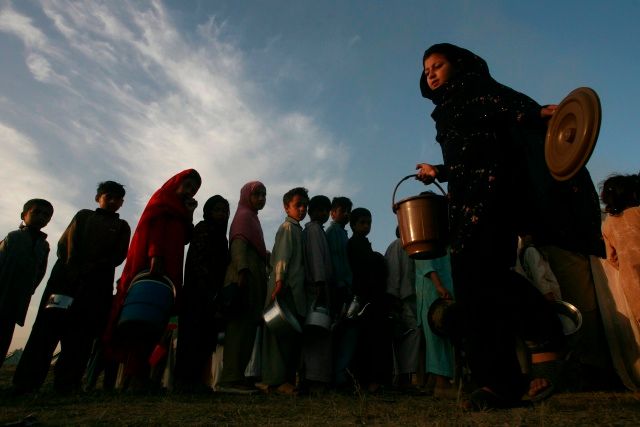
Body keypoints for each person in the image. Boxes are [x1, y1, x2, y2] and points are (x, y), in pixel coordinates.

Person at [417, 43, 565, 408]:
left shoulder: (479, 89)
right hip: (464, 201)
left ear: (459, 64)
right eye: (426, 70)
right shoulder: (445, 111)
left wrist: (539, 113)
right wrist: (441, 171)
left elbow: (510, 107)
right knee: (472, 293)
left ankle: (546, 331)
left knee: (490, 275)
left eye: (438, 65)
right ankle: (498, 383)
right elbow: (467, 157)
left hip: (496, 193)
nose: (431, 73)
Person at [13, 182, 130, 393]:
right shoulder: (83, 216)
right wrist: (76, 269)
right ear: (98, 198)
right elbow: (67, 245)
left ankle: (68, 383)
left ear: (122, 202)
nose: (112, 202)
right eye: (108, 197)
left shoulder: (122, 227)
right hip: (64, 282)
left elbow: (118, 256)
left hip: (96, 287)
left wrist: (93, 268)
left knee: (82, 336)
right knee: (46, 331)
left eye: (117, 199)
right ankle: (26, 383)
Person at [105, 169, 200, 390]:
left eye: (194, 189)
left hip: (172, 267)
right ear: (176, 183)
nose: (190, 191)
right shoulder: (163, 199)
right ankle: (133, 375)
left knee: (159, 320)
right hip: (155, 266)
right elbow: (154, 227)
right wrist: (155, 256)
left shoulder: (180, 208)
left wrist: (189, 213)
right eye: (187, 185)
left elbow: (186, 237)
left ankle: (142, 374)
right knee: (142, 318)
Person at [174, 195, 230, 392]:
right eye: (217, 209)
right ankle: (184, 381)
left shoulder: (222, 236)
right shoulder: (203, 229)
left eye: (224, 210)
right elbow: (198, 262)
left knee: (206, 338)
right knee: (192, 336)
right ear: (208, 212)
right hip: (197, 293)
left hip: (212, 295)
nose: (221, 214)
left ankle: (198, 381)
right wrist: (206, 288)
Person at [217, 182, 268, 394]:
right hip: (243, 279)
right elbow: (238, 245)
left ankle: (237, 376)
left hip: (253, 279)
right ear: (247, 196)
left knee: (247, 331)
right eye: (257, 194)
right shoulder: (244, 217)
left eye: (264, 194)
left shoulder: (253, 218)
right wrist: (243, 272)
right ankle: (229, 379)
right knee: (238, 330)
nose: (261, 198)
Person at [260, 187, 308, 395]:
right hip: (284, 288)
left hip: (293, 289)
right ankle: (276, 381)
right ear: (286, 207)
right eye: (298, 205)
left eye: (305, 205)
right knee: (278, 336)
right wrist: (279, 282)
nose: (303, 209)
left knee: (289, 337)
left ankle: (285, 380)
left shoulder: (298, 229)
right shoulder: (288, 228)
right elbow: (281, 258)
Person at [0, 199, 53, 368]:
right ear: (24, 215)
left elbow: (40, 273)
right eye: (36, 212)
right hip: (2, 292)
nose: (41, 217)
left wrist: (29, 290)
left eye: (46, 215)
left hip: (18, 299)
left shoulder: (44, 246)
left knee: (4, 335)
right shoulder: (13, 237)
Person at [348, 207, 392, 393]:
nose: (366, 226)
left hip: (373, 299)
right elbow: (365, 270)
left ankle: (373, 381)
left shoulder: (363, 243)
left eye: (369, 223)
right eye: (362, 223)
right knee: (368, 342)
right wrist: (377, 259)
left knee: (374, 341)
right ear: (353, 224)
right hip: (365, 299)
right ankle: (367, 382)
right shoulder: (354, 244)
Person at [301, 195, 333, 393]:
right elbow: (316, 260)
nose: (324, 214)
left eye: (326, 210)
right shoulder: (313, 230)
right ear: (312, 211)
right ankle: (314, 381)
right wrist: (320, 284)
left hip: (318, 289)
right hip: (316, 289)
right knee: (317, 336)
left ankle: (313, 379)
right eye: (320, 210)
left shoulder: (317, 231)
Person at [415, 253, 456, 398]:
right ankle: (442, 383)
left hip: (440, 288)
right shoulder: (427, 234)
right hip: (434, 290)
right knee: (437, 336)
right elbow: (425, 260)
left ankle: (434, 381)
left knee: (439, 336)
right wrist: (438, 285)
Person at [601, 174, 640, 325]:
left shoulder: (607, 225)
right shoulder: (638, 212)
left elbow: (611, 258)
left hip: (633, 285)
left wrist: (626, 266)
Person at [324, 196, 354, 387]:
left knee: (343, 333)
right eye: (342, 210)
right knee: (338, 332)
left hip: (345, 287)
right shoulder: (333, 231)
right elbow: (335, 263)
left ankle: (340, 374)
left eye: (348, 211)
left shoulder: (343, 233)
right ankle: (336, 376)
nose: (346, 214)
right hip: (338, 288)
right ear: (333, 213)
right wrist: (342, 285)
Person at [384, 227, 419, 389]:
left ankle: (407, 378)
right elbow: (393, 274)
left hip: (412, 301)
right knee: (405, 339)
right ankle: (403, 379)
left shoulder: (413, 248)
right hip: (401, 301)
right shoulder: (398, 246)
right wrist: (394, 300)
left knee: (412, 338)